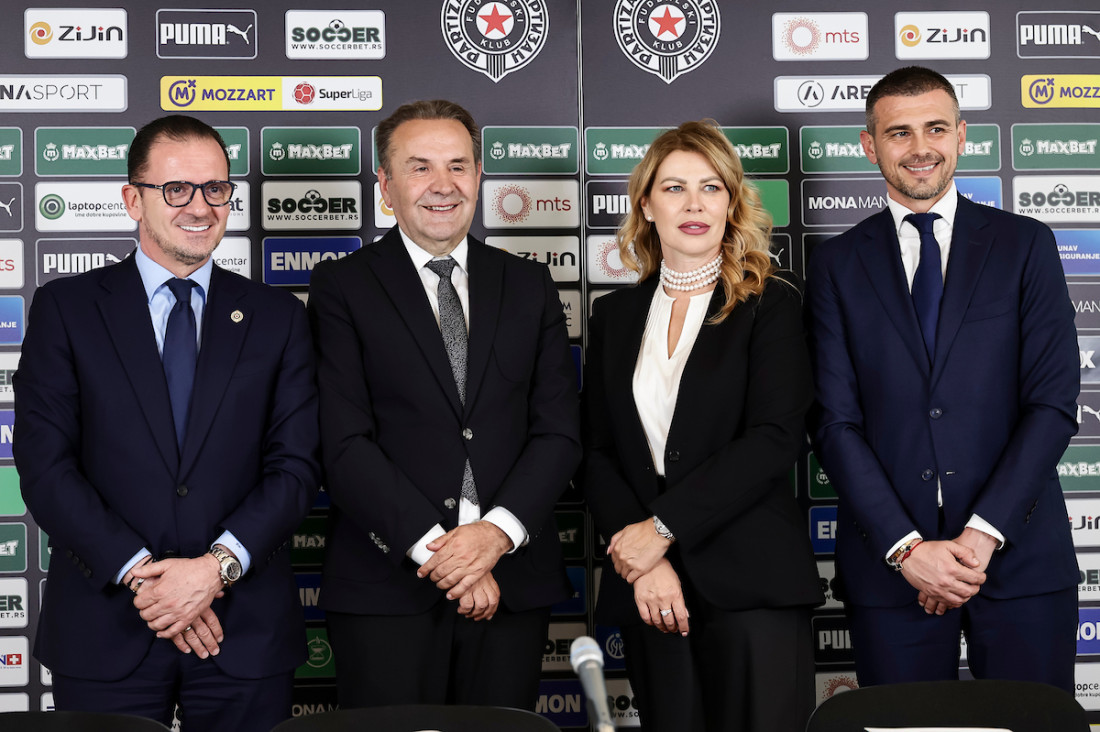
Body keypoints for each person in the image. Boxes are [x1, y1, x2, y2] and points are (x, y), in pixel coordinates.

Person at [13, 115, 320, 731]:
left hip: (243, 628)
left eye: (216, 188)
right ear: (134, 200)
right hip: (107, 626)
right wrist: (145, 578)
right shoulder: (67, 309)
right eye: (176, 189)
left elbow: (295, 467)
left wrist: (213, 570)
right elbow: (46, 466)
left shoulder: (278, 317)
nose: (200, 207)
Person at [807, 66, 1079, 691]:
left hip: (1019, 559)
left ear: (961, 135)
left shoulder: (1025, 245)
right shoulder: (836, 264)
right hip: (891, 571)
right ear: (869, 145)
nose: (919, 147)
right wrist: (908, 549)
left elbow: (1052, 403)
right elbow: (834, 422)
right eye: (898, 132)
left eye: (935, 128)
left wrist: (981, 537)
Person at [307, 99, 579, 708]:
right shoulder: (342, 287)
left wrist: (494, 537)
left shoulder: (529, 284)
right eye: (420, 167)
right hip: (387, 586)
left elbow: (559, 432)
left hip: (511, 582)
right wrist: (445, 554)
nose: (443, 184)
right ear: (385, 185)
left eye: (458, 166)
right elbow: (343, 442)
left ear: (479, 176)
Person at [578, 120, 822, 732]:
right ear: (646, 204)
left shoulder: (772, 300)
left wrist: (661, 529)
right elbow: (597, 449)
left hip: (752, 580)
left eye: (711, 188)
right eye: (674, 188)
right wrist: (644, 558)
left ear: (731, 203)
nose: (694, 204)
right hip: (650, 587)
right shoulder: (614, 315)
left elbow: (775, 438)